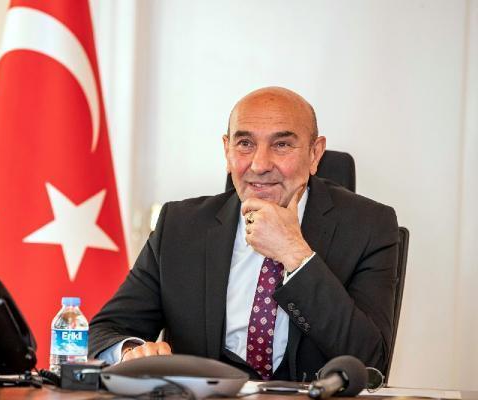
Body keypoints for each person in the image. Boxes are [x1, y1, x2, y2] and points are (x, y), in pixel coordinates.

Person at [88, 87, 399, 381]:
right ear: (227, 150)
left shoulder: (369, 227)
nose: (260, 165)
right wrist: (131, 351)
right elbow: (105, 332)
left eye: (282, 145)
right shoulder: (180, 226)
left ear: (315, 154)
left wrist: (295, 254)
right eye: (245, 144)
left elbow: (371, 362)